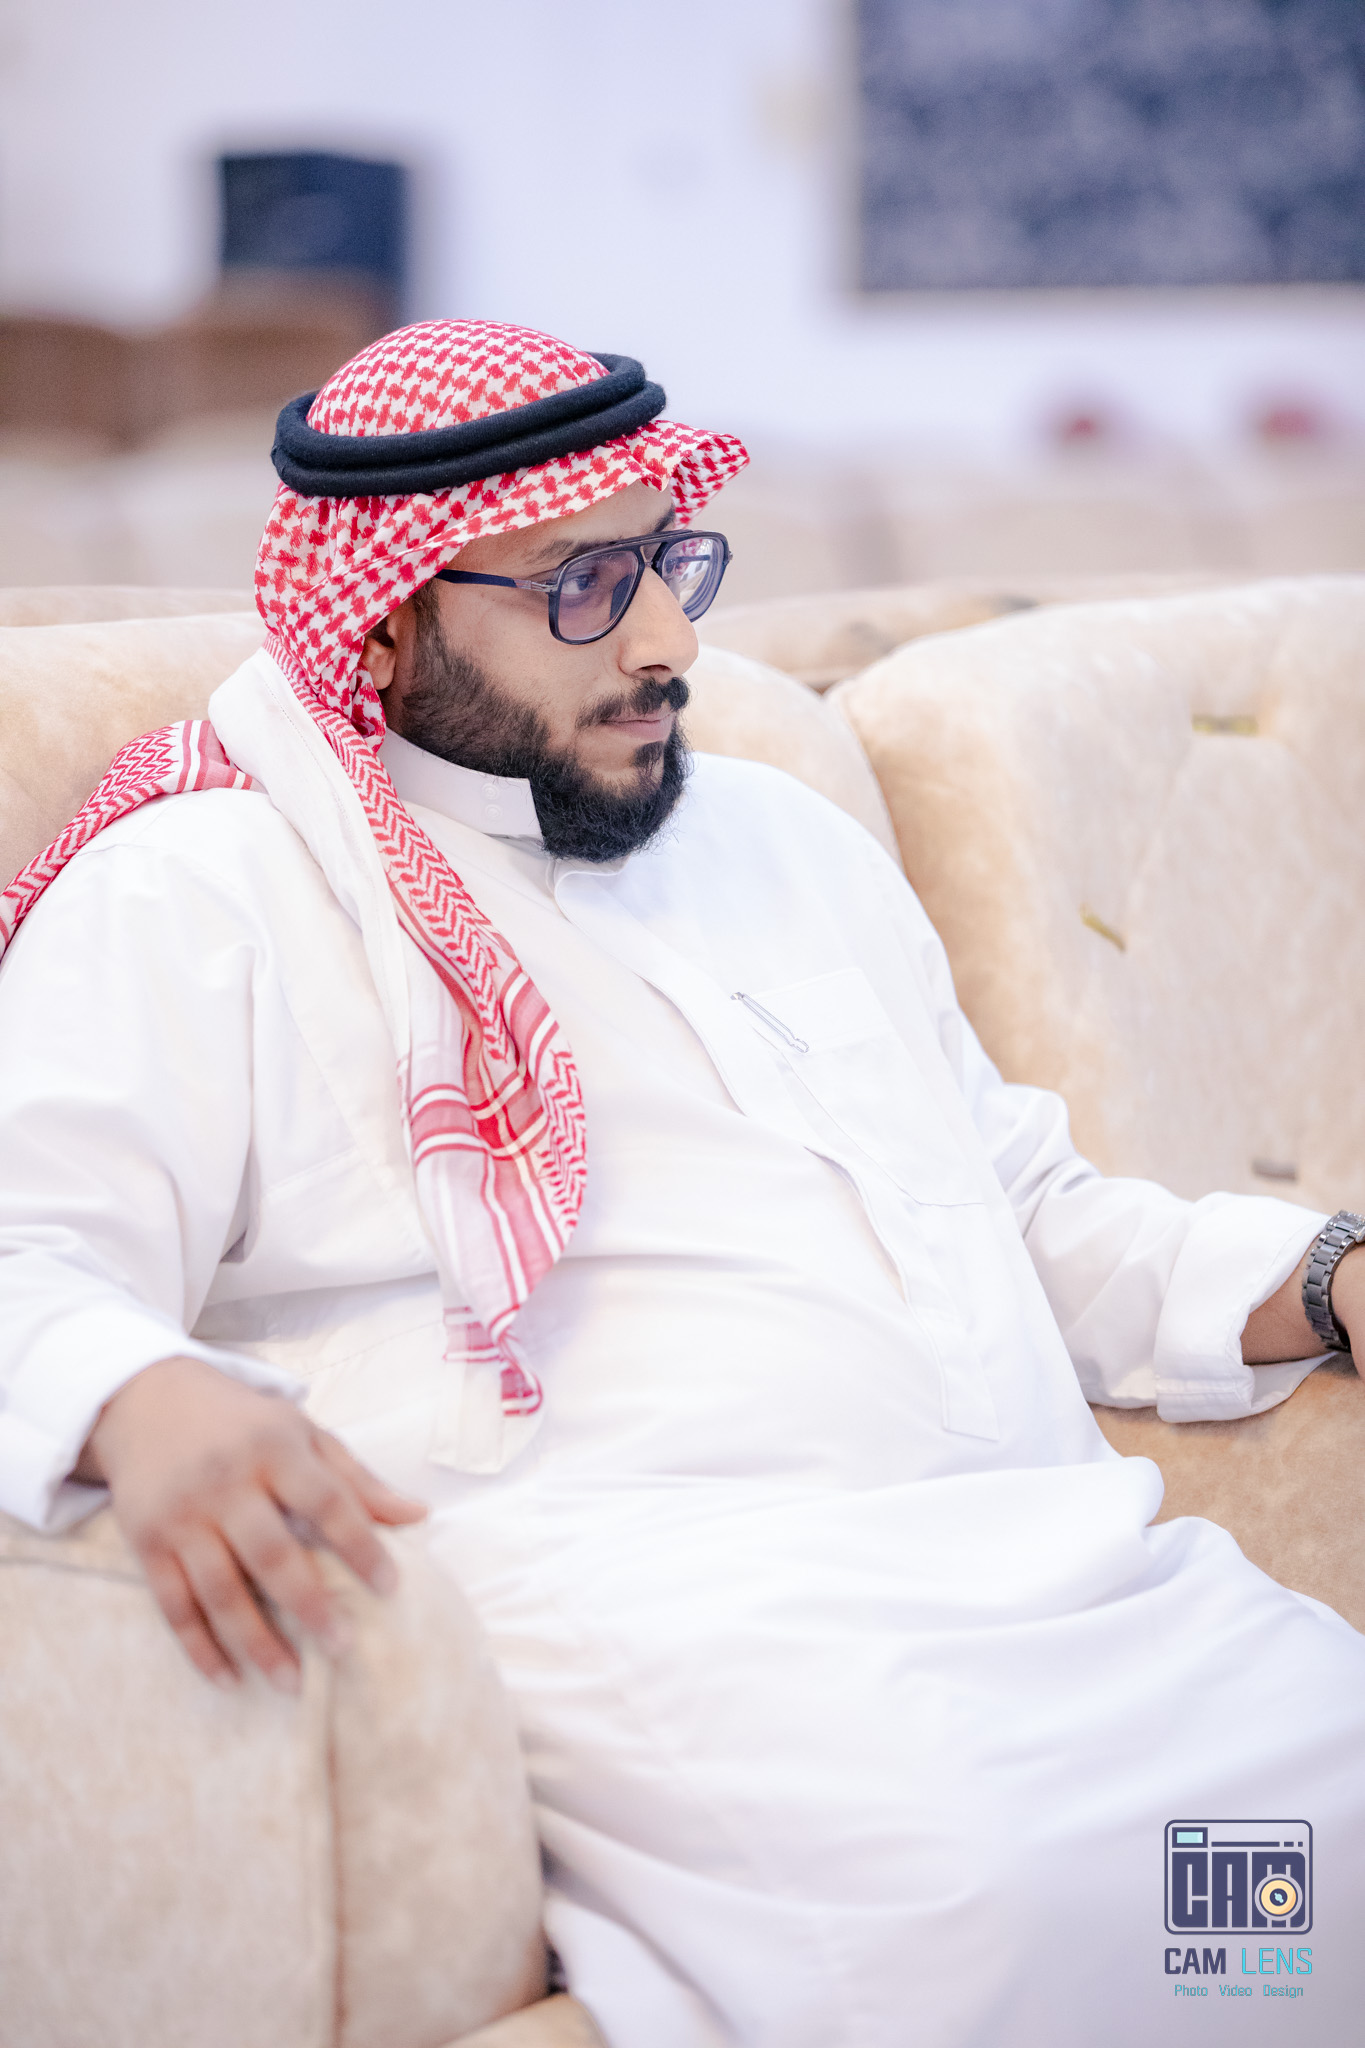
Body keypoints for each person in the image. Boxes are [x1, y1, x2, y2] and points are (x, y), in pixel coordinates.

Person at [0, 321, 1361, 2048]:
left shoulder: (783, 843)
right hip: (663, 1602)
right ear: (390, 613)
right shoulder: (203, 887)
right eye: (581, 587)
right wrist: (138, 1394)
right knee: (1005, 1902)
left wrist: (1329, 1274)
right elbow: (27, 1246)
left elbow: (1018, 1211)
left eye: (665, 564)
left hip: (1047, 1575)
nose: (663, 642)